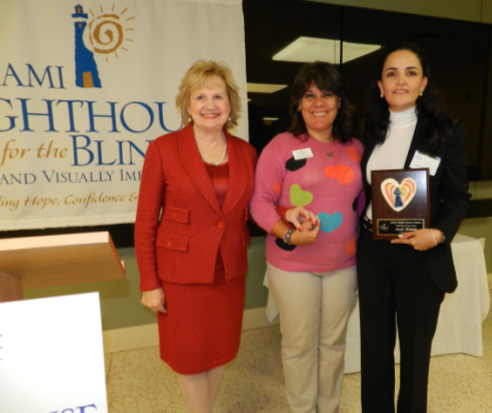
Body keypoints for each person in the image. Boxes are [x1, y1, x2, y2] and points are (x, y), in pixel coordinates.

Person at [134, 60, 257, 413]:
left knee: (220, 352)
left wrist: (290, 215)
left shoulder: (246, 153)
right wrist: (149, 282)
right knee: (188, 359)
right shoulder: (163, 149)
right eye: (200, 96)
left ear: (231, 104)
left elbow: (263, 204)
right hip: (180, 276)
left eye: (218, 96)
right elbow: (145, 223)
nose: (210, 105)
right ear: (187, 104)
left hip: (228, 272)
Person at [357, 42, 471, 412]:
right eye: (391, 73)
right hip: (373, 251)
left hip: (420, 254)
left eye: (410, 73)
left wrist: (437, 234)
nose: (400, 81)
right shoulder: (367, 132)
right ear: (380, 85)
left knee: (415, 353)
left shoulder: (448, 132)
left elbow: (457, 198)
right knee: (374, 349)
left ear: (424, 83)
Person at [249, 61, 364, 413]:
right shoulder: (281, 146)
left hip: (345, 264)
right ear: (298, 102)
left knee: (333, 344)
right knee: (299, 345)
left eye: (327, 94)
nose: (318, 102)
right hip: (293, 265)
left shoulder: (357, 148)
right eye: (309, 94)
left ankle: (328, 407)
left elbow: (366, 202)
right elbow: (259, 203)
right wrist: (286, 233)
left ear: (340, 101)